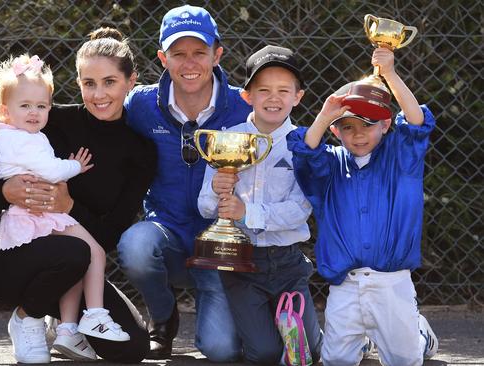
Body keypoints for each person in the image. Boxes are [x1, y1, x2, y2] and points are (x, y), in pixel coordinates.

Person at [0, 27, 156, 364]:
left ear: (130, 81)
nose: (99, 94)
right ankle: (27, 317)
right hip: (18, 258)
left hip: (79, 259)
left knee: (132, 348)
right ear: (77, 82)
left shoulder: (140, 151)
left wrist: (69, 205)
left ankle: (65, 322)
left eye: (110, 82)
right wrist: (4, 191)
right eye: (89, 83)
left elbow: (107, 235)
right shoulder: (47, 117)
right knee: (74, 252)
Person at [286, 47, 439, 366]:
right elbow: (305, 153)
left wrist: (391, 76)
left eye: (368, 125)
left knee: (404, 360)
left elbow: (417, 122)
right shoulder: (329, 164)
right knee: (337, 360)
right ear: (336, 131)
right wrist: (325, 115)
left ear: (385, 125)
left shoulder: (401, 158)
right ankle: (362, 340)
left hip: (392, 282)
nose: (357, 135)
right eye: (348, 127)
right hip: (346, 284)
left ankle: (419, 333)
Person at [116, 4, 252, 361]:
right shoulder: (141, 105)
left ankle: (224, 302)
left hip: (221, 241)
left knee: (221, 351)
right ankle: (163, 318)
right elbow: (99, 127)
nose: (189, 64)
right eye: (179, 54)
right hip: (168, 230)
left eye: (199, 53)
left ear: (217, 54)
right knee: (136, 246)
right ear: (163, 58)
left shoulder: (244, 106)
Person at [198, 45, 323, 365]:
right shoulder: (226, 140)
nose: (273, 98)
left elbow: (301, 209)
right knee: (264, 354)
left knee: (308, 351)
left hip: (287, 265)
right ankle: (262, 326)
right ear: (247, 96)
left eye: (284, 90)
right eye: (263, 89)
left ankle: (318, 334)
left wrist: (247, 212)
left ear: (298, 97)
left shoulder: (304, 144)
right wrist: (216, 188)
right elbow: (204, 207)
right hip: (241, 267)